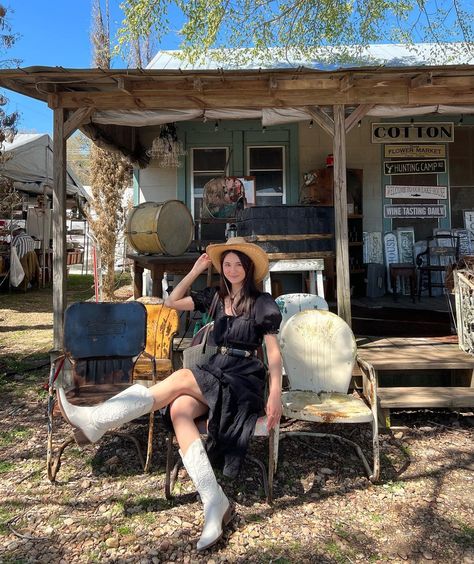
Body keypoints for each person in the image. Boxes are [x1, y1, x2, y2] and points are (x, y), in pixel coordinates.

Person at [58, 237, 283, 551]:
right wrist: (195, 270)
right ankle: (214, 501)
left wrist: (275, 394)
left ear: (248, 268)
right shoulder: (216, 297)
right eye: (226, 264)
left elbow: (272, 354)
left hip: (244, 380)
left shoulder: (262, 302)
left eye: (238, 264)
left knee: (180, 377)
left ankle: (98, 419)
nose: (231, 269)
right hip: (217, 372)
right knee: (178, 409)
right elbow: (171, 302)